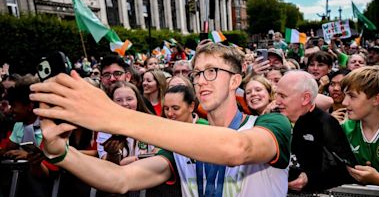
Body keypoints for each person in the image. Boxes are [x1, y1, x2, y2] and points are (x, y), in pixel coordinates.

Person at [30, 43, 292, 196]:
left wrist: (113, 116)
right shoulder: (183, 139)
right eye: (197, 73)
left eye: (211, 71)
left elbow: (237, 149)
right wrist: (62, 154)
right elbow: (120, 180)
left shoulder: (271, 124)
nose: (200, 80)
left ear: (236, 80)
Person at [274, 71, 355, 192]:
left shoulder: (325, 123)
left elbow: (348, 171)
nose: (277, 101)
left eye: (283, 96)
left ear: (305, 98)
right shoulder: (273, 119)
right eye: (277, 95)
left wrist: (309, 178)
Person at [341, 66, 379, 195]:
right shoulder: (345, 129)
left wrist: (378, 179)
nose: (344, 102)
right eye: (345, 95)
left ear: (377, 99)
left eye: (352, 96)